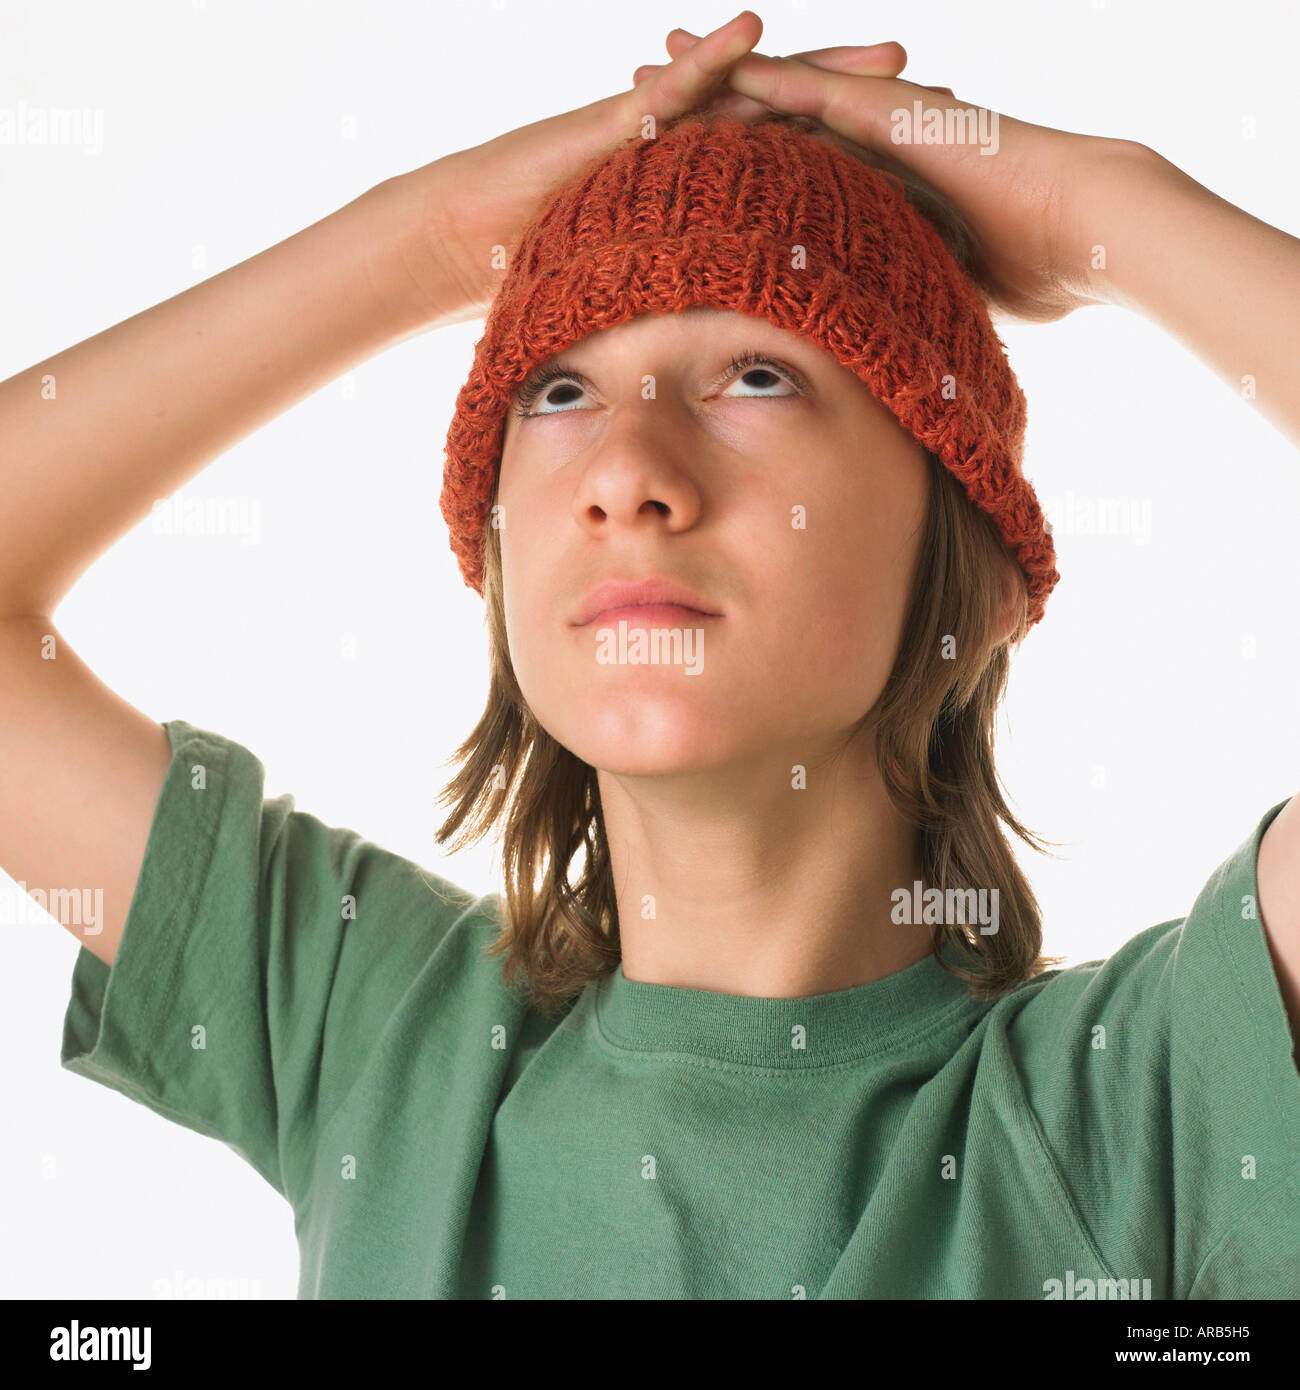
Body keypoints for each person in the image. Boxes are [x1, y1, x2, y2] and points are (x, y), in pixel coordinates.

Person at [3, 12, 1298, 1299]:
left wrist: (1097, 207)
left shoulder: (1146, 1114)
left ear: (976, 555)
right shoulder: (379, 1031)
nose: (627, 471)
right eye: (559, 389)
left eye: (755, 375)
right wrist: (434, 238)